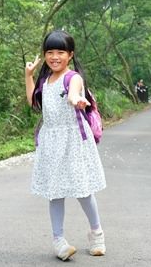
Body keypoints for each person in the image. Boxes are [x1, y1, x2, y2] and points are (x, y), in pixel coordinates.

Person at [25, 30, 106, 260]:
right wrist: (28, 75)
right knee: (55, 192)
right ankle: (59, 240)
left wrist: (77, 100)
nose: (55, 57)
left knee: (82, 189)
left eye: (60, 52)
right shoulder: (44, 81)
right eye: (50, 52)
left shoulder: (74, 78)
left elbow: (72, 94)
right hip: (51, 142)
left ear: (70, 55)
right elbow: (33, 101)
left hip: (73, 140)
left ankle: (96, 233)